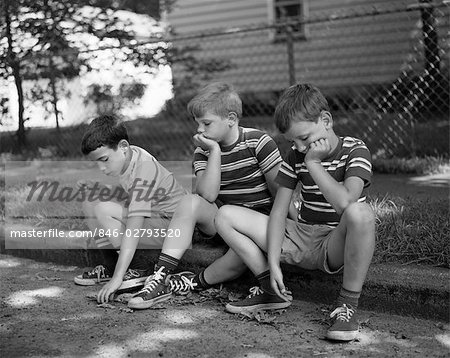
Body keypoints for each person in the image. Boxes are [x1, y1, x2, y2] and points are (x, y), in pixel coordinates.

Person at [215, 83, 375, 342]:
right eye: (293, 141)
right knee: (225, 215)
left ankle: (346, 307)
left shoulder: (355, 150)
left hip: (334, 243)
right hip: (300, 236)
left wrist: (313, 163)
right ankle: (269, 286)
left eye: (305, 138)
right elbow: (279, 212)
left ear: (325, 120)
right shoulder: (295, 156)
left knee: (361, 213)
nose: (300, 148)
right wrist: (274, 263)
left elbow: (345, 203)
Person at [127, 82, 284, 310]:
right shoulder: (203, 150)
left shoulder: (259, 142)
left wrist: (292, 224)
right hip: (221, 221)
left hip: (257, 224)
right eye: (198, 124)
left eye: (206, 123)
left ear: (231, 119)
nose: (199, 130)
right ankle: (161, 277)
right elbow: (207, 195)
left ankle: (194, 281)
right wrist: (215, 152)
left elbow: (279, 190)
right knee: (191, 201)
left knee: (238, 259)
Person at [73, 114, 188, 304]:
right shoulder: (130, 156)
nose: (101, 168)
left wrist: (117, 280)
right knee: (90, 198)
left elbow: (134, 226)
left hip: (172, 225)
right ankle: (110, 265)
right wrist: (102, 189)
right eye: (97, 162)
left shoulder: (143, 168)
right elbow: (132, 193)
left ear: (123, 147)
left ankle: (135, 270)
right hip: (154, 218)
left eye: (104, 159)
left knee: (104, 210)